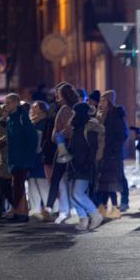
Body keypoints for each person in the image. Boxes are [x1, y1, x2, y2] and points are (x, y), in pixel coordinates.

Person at [66, 102, 104, 231]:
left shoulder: (90, 127)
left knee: (77, 193)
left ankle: (95, 214)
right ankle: (83, 219)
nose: (73, 115)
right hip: (74, 164)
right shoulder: (76, 127)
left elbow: (92, 148)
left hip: (84, 165)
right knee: (72, 194)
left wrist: (87, 163)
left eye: (75, 113)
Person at [4, 93, 38, 223]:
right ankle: (20, 212)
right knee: (17, 185)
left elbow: (31, 136)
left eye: (8, 102)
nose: (6, 105)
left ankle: (22, 213)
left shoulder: (21, 117)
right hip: (14, 157)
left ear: (16, 103)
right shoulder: (11, 119)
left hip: (22, 157)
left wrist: (28, 154)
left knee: (18, 185)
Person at [49, 83, 80, 223]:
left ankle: (49, 208)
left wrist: (59, 134)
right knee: (73, 180)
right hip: (76, 147)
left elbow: (57, 133)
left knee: (56, 178)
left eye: (58, 94)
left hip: (63, 148)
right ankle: (75, 209)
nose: (57, 97)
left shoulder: (63, 110)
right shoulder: (78, 108)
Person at [96, 90, 127, 219]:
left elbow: (122, 135)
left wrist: (113, 150)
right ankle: (103, 207)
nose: (100, 103)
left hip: (112, 155)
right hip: (102, 153)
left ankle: (114, 208)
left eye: (103, 100)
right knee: (104, 183)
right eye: (100, 100)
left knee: (110, 183)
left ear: (109, 101)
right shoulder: (101, 115)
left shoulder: (115, 115)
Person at [27, 101, 50, 220]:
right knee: (32, 181)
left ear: (42, 109)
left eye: (35, 107)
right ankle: (35, 208)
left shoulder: (43, 123)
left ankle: (49, 207)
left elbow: (40, 140)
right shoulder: (33, 122)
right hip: (33, 156)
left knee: (41, 181)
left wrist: (38, 152)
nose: (32, 109)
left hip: (39, 155)